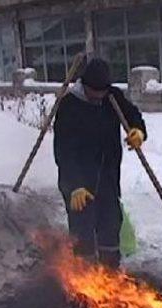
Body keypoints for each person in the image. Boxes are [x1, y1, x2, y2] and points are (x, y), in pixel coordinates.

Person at [53, 57, 147, 268]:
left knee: (110, 223)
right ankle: (84, 278)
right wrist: (74, 185)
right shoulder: (69, 106)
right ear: (85, 85)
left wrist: (138, 130)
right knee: (83, 229)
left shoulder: (112, 97)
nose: (99, 96)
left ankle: (110, 271)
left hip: (107, 176)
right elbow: (63, 151)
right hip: (78, 182)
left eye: (102, 91)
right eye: (95, 92)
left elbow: (132, 115)